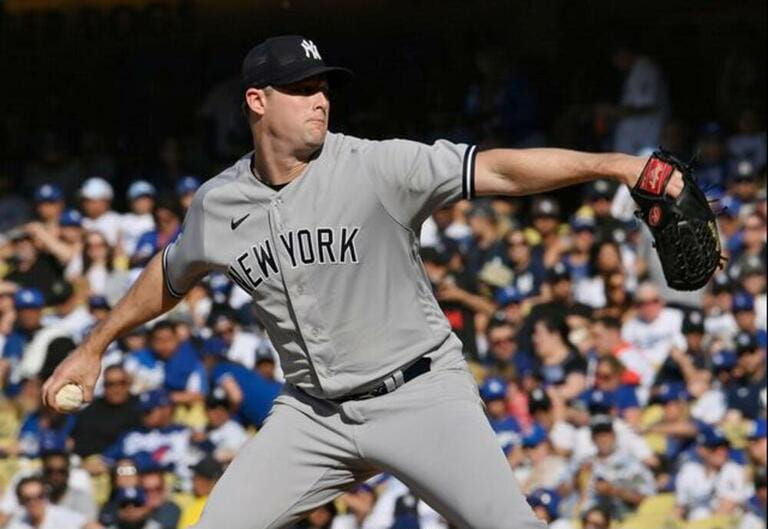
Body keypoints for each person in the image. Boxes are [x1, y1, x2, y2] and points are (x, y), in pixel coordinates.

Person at [43, 35, 684, 529]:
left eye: (323, 85)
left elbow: (501, 172)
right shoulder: (219, 203)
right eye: (300, 87)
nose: (320, 97)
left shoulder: (375, 166)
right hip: (313, 414)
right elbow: (169, 273)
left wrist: (617, 164)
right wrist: (94, 345)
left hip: (419, 393)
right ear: (257, 101)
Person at [71, 364, 142, 457]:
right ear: (104, 386)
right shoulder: (91, 412)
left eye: (121, 383)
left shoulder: (141, 407)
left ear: (128, 384)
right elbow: (82, 444)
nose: (116, 389)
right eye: (110, 384)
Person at [5, 476, 87, 529]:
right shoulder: (19, 522)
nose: (34, 502)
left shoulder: (61, 516)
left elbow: (91, 526)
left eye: (39, 496)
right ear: (21, 501)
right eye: (28, 499)